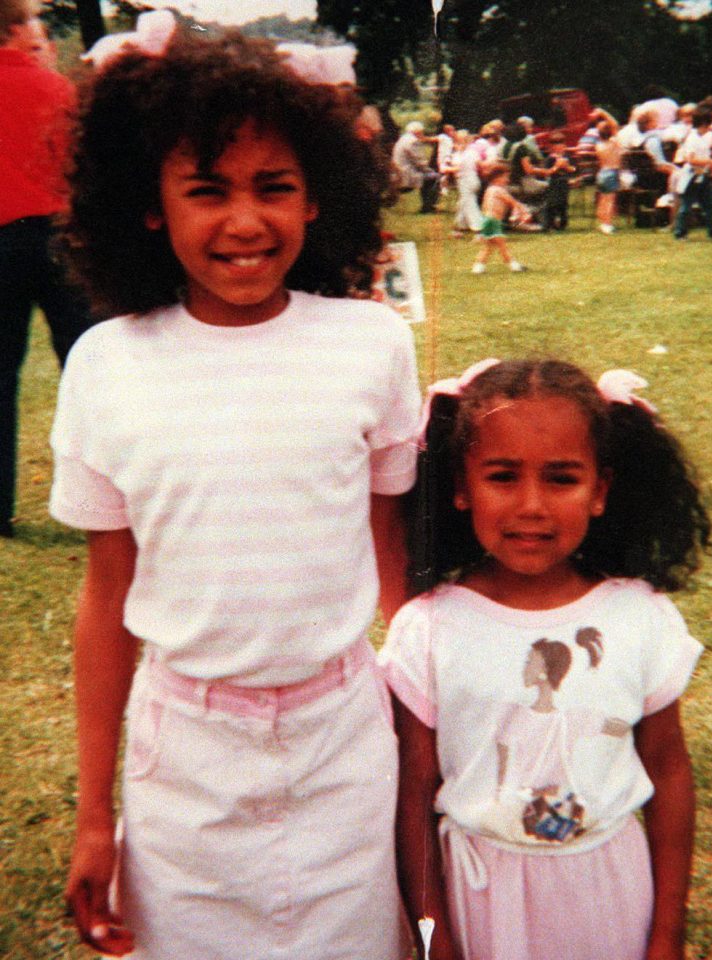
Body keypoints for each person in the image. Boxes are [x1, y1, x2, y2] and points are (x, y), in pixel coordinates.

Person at [49, 27, 421, 960]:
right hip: (186, 763)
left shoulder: (370, 346)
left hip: (346, 744)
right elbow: (105, 603)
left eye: (274, 187)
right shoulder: (106, 366)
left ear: (317, 195)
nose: (244, 222)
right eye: (207, 190)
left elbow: (395, 564)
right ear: (149, 206)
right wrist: (97, 817)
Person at [380, 358, 712, 960]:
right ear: (460, 486)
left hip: (610, 892)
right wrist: (436, 940)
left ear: (600, 491)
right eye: (503, 476)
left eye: (561, 479)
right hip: (479, 899)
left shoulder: (638, 618)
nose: (532, 505)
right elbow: (412, 799)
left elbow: (667, 770)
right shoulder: (428, 629)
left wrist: (667, 934)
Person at [0, 0, 93, 538]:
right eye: (34, 21)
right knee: (85, 368)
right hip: (55, 235)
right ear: (16, 29)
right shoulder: (56, 91)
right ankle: (108, 497)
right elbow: (78, 169)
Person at [673, 106, 712, 240]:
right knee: (686, 206)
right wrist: (710, 161)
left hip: (702, 176)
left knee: (710, 205)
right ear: (704, 124)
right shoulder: (692, 138)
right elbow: (691, 159)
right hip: (692, 177)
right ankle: (680, 232)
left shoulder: (701, 138)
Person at [470, 164, 529, 274]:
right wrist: (524, 211)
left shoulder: (490, 190)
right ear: (497, 177)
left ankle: (478, 267)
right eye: (505, 177)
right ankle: (514, 265)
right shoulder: (498, 190)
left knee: (488, 246)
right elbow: (512, 202)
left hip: (487, 220)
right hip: (493, 221)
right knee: (502, 245)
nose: (507, 180)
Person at [392, 119, 441, 213]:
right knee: (435, 177)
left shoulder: (402, 139)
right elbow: (419, 162)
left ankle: (427, 206)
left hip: (398, 173)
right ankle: (428, 207)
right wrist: (431, 171)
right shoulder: (413, 141)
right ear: (418, 132)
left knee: (429, 177)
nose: (422, 134)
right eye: (422, 132)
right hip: (407, 175)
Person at [539, 133, 575, 231]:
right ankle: (551, 223)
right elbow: (546, 172)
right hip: (553, 183)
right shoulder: (550, 159)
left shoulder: (567, 157)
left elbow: (573, 169)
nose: (559, 147)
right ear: (552, 147)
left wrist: (567, 167)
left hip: (564, 183)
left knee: (563, 204)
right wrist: (557, 167)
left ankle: (562, 222)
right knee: (553, 203)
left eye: (561, 145)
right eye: (556, 145)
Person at [593, 111, 622, 234]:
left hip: (601, 173)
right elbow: (615, 123)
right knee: (610, 200)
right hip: (611, 172)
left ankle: (602, 222)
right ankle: (607, 224)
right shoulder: (614, 143)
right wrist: (603, 113)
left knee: (602, 200)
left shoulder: (598, 145)